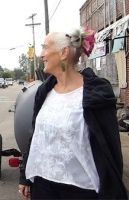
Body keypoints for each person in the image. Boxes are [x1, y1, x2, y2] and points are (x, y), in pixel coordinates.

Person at [18, 26, 128, 199]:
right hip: (42, 185)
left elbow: (110, 147)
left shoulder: (96, 93)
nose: (41, 54)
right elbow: (36, 136)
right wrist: (25, 175)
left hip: (81, 189)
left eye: (46, 47)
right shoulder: (44, 92)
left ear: (64, 53)